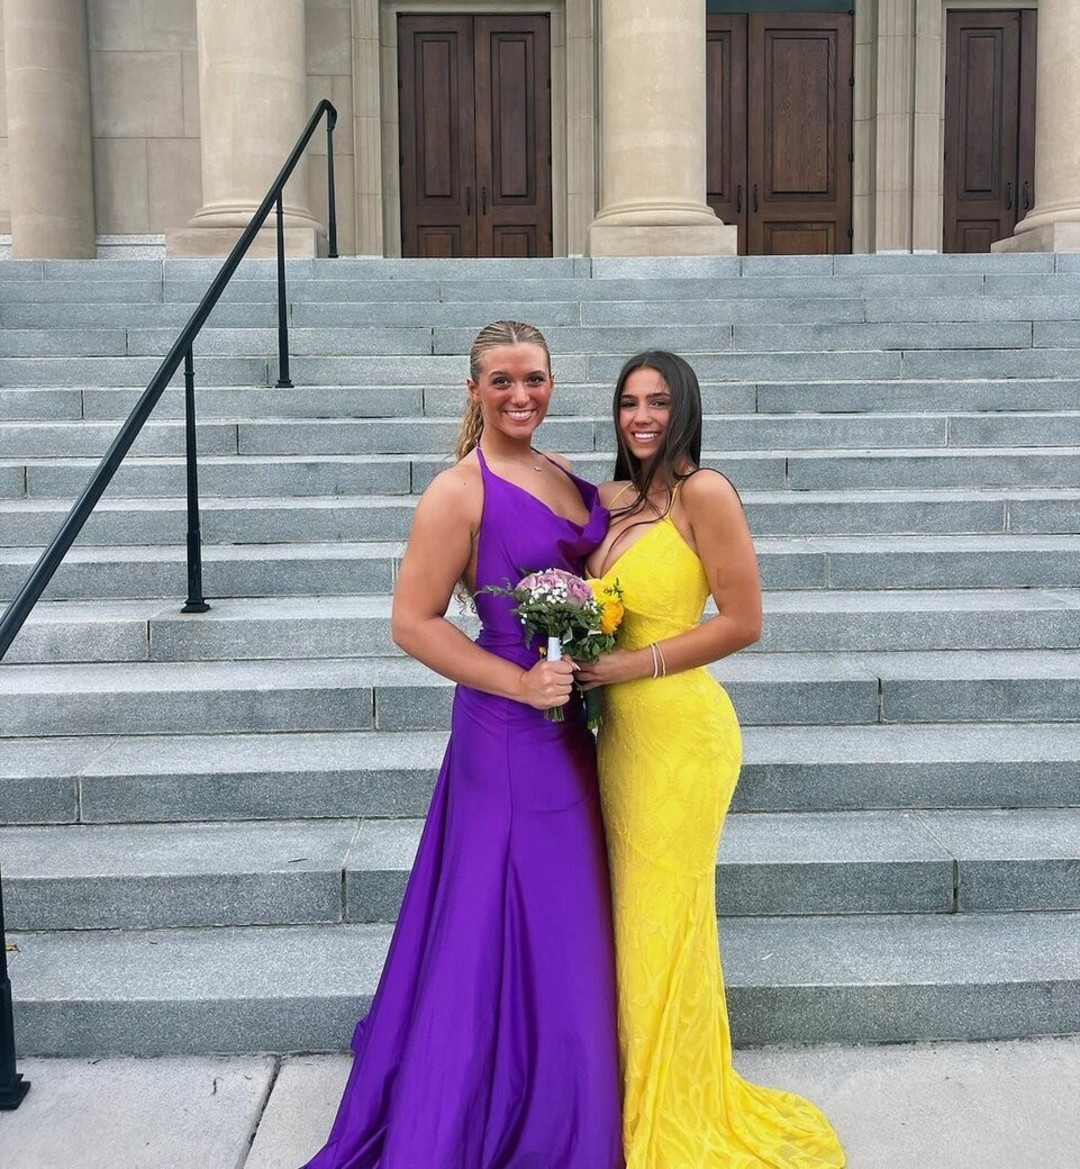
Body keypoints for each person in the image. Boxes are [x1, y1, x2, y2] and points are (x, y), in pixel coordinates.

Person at [302, 321, 623, 1169]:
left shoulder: (561, 471)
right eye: (503, 381)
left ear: (553, 383)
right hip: (508, 725)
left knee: (555, 912)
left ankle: (557, 1082)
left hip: (569, 720)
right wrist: (519, 683)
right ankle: (496, 1101)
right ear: (474, 389)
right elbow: (412, 621)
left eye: (535, 378)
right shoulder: (457, 491)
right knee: (499, 910)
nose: (521, 395)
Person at [577, 350, 845, 1169]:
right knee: (632, 918)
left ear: (686, 409)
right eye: (629, 402)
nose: (642, 416)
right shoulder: (614, 499)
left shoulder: (705, 493)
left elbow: (743, 619)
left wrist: (629, 663)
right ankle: (628, 1088)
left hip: (683, 735)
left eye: (659, 401)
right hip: (619, 738)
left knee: (667, 916)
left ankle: (672, 1106)